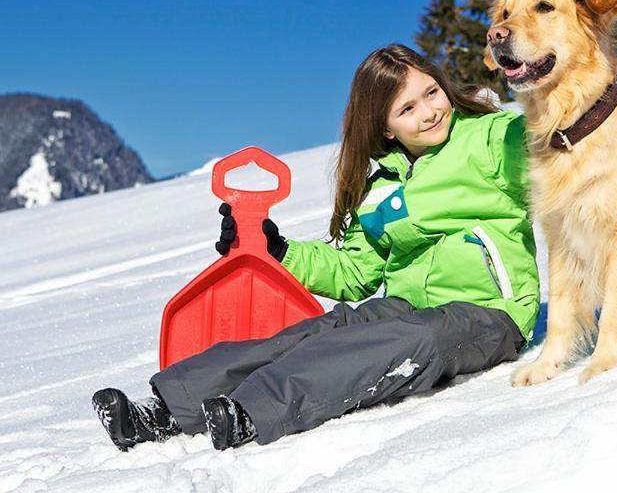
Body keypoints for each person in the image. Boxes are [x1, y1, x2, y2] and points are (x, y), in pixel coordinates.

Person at [91, 44, 540, 451]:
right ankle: (169, 409)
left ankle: (255, 410)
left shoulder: (490, 138)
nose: (428, 111)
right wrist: (278, 250)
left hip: (490, 313)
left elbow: (550, 134)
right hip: (405, 304)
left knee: (410, 340)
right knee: (321, 331)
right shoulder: (379, 188)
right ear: (384, 128)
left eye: (431, 92)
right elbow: (356, 273)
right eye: (407, 108)